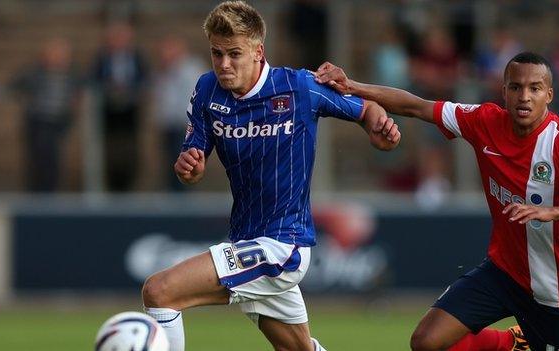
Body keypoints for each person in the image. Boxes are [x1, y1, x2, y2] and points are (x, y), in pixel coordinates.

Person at [141, 2, 401, 351]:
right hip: (245, 240)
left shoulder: (299, 87)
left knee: (160, 292)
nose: (224, 64)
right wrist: (190, 166)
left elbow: (366, 107)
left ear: (258, 51)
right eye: (216, 53)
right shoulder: (206, 90)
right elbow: (193, 159)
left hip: (283, 244)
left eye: (234, 54)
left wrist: (379, 127)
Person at [315, 52, 559, 351]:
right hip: (505, 273)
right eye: (515, 87)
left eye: (534, 88)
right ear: (504, 91)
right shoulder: (484, 120)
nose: (524, 96)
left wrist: (552, 211)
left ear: (549, 94)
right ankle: (512, 342)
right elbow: (416, 106)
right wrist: (352, 86)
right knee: (426, 341)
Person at [11, 38, 83, 192]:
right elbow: (15, 84)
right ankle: (37, 191)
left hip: (59, 120)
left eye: (61, 55)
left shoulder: (72, 74)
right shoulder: (35, 72)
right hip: (38, 120)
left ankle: (50, 190)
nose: (58, 58)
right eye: (54, 54)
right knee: (39, 157)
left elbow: (84, 87)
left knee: (52, 157)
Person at [91, 22, 147, 192]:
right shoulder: (102, 58)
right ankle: (111, 184)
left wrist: (132, 90)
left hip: (130, 111)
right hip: (108, 111)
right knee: (110, 148)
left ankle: (129, 183)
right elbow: (93, 79)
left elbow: (145, 79)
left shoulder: (137, 58)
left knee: (129, 148)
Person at [151, 36, 205, 191]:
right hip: (168, 126)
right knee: (170, 166)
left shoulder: (191, 70)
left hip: (183, 126)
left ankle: (182, 200)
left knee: (183, 166)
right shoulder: (164, 72)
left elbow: (192, 100)